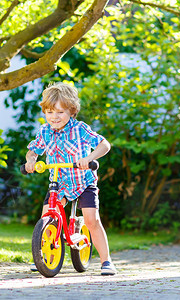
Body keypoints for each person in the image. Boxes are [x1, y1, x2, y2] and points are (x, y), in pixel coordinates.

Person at [25, 82, 117, 276]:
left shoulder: (80, 129)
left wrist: (89, 158)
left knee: (91, 220)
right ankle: (42, 257)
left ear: (72, 111)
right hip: (59, 182)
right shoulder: (44, 132)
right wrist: (31, 161)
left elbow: (104, 145)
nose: (54, 117)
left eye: (60, 112)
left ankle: (106, 261)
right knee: (46, 216)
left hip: (84, 181)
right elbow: (32, 151)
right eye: (49, 112)